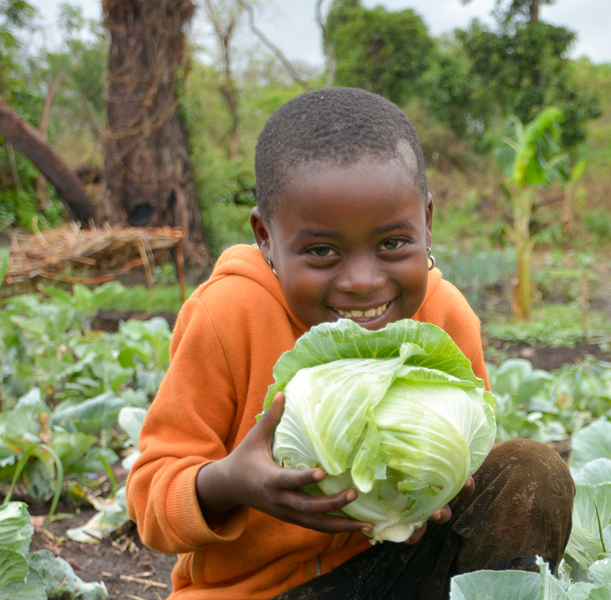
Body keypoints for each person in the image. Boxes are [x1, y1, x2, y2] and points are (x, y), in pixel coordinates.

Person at [126, 88, 574, 600]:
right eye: (322, 251)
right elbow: (148, 501)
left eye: (392, 244)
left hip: (396, 571)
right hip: (259, 593)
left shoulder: (447, 316)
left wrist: (444, 482)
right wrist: (229, 482)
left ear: (427, 221)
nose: (363, 281)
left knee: (533, 472)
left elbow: (470, 458)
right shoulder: (228, 315)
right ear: (265, 236)